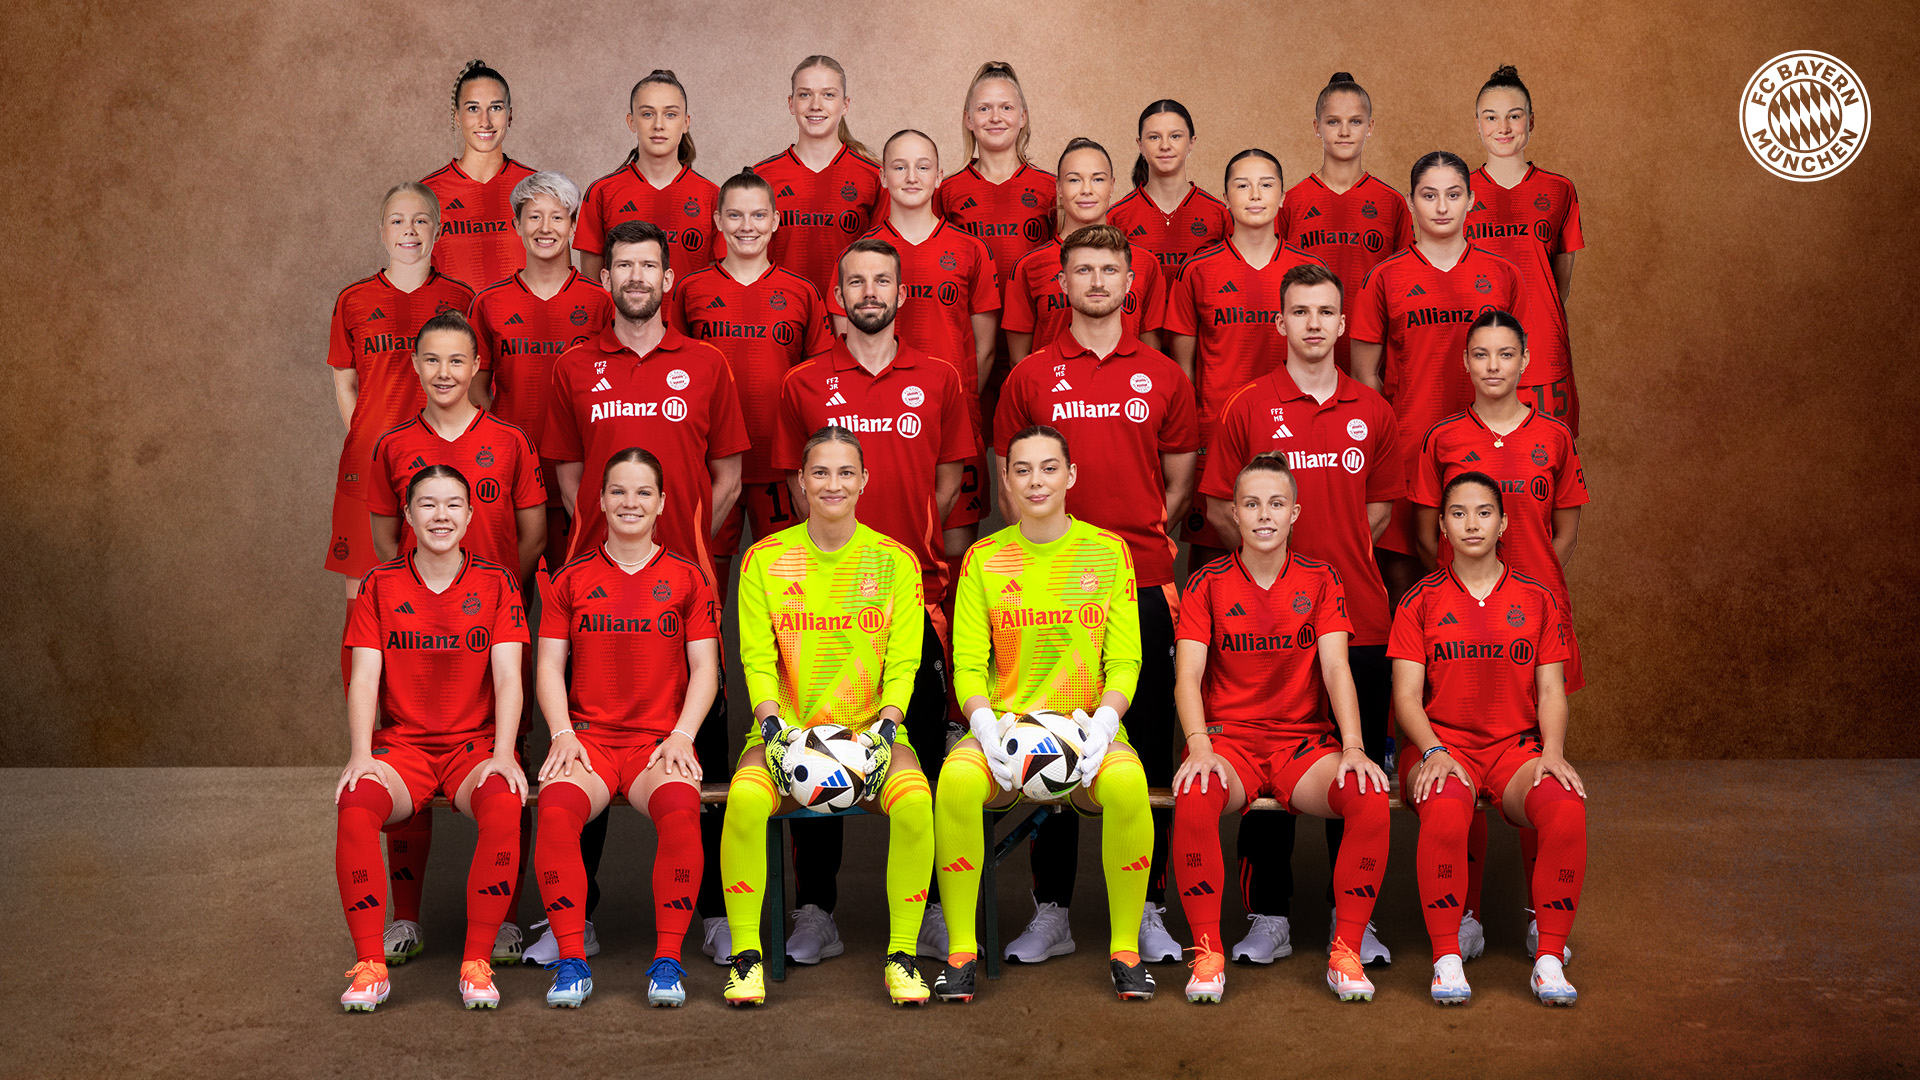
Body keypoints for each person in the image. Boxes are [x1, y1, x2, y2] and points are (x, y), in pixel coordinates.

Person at [542, 218, 748, 965]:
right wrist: (609, 537)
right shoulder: (574, 368)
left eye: (647, 268)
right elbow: (567, 477)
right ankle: (579, 916)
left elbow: (728, 475)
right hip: (598, 584)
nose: (634, 278)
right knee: (586, 742)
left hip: (683, 580)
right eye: (621, 266)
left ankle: (720, 913)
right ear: (608, 279)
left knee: (703, 745)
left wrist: (683, 536)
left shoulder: (708, 364)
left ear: (668, 281)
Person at [992, 223, 1198, 966]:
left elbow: (1178, 481)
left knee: (1141, 747)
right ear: (1063, 284)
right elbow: (1015, 474)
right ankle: (1052, 910)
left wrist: (1124, 548)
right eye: (1083, 270)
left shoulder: (1165, 375)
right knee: (1054, 746)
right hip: (1048, 596)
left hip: (1139, 583)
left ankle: (1145, 907)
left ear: (1130, 280)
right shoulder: (1032, 376)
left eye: (1110, 270)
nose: (1098, 282)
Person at [771, 238, 976, 963]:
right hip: (822, 613)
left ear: (902, 294)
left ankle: (920, 914)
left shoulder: (941, 377)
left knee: (913, 759)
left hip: (910, 599)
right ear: (837, 295)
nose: (868, 291)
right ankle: (816, 910)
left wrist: (904, 554)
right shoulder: (802, 383)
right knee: (815, 754)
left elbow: (948, 482)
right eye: (854, 280)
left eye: (881, 280)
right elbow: (791, 491)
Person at [1198, 262, 1403, 966]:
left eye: (1326, 312)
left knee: (1357, 773)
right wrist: (1269, 584)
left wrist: (1325, 584)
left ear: (1344, 325)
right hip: (1265, 630)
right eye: (1300, 312)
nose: (1313, 324)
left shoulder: (1374, 412)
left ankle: (1355, 920)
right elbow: (1223, 507)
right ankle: (1269, 916)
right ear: (1278, 323)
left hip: (1363, 626)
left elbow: (1377, 514)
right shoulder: (1247, 406)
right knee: (1263, 763)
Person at [933, 425, 1157, 1004]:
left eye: (1049, 468)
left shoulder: (1108, 553)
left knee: (1130, 786)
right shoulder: (984, 557)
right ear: (1006, 480)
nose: (1036, 481)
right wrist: (984, 725)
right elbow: (967, 666)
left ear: (1071, 476)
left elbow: (1126, 660)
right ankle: (961, 952)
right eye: (1023, 469)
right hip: (1004, 731)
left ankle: (1126, 951)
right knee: (955, 782)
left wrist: (1104, 723)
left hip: (1087, 729)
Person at [719, 427, 937, 1006]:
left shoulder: (895, 561)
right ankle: (746, 958)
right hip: (783, 729)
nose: (832, 484)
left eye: (845, 473)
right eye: (820, 472)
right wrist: (774, 731)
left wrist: (885, 732)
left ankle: (902, 954)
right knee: (742, 800)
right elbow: (756, 660)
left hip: (874, 731)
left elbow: (905, 661)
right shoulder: (764, 559)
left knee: (916, 801)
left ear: (865, 481)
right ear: (800, 482)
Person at [1172, 453, 1391, 1004]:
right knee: (1196, 789)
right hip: (1231, 744)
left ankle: (1346, 949)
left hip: (1302, 745)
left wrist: (1356, 747)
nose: (1264, 515)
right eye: (1251, 504)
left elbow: (1337, 668)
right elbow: (1188, 676)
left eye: (1275, 503)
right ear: (1234, 514)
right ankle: (1207, 952)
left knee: (1365, 792)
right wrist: (1198, 745)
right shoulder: (1207, 583)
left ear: (1295, 512)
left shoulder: (1320, 579)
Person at [365, 310, 546, 968]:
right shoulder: (392, 446)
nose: (444, 373)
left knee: (506, 763)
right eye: (432, 360)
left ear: (477, 368)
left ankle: (498, 921)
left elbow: (532, 534)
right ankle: (405, 917)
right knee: (402, 749)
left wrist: (491, 594)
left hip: (488, 629)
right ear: (415, 367)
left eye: (456, 361)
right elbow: (387, 540)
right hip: (413, 638)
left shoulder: (510, 441)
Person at [1412, 309, 1588, 958]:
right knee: (1461, 756)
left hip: (1533, 622)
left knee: (1545, 764)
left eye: (1504, 354)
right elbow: (1421, 527)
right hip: (1460, 622)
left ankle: (1543, 914)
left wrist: (1529, 587)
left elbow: (1563, 531)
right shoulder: (1443, 438)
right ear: (1465, 364)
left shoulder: (1555, 437)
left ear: (1524, 363)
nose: (1492, 366)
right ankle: (1465, 914)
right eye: (1480, 355)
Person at [333, 465, 529, 1011]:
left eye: (452, 505)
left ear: (469, 516)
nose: (440, 516)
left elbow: (509, 676)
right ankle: (371, 965)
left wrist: (504, 753)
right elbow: (365, 676)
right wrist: (359, 754)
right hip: (404, 748)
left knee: (505, 804)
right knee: (354, 804)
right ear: (409, 515)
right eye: (427, 505)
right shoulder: (380, 584)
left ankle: (477, 962)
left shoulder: (496, 583)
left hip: (473, 746)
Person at [532, 447, 722, 1008]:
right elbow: (547, 665)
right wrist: (563, 734)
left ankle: (667, 961)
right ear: (600, 500)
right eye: (618, 491)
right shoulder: (571, 578)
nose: (630, 502)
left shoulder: (688, 579)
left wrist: (684, 735)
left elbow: (706, 670)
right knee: (558, 810)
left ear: (663, 503)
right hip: (589, 743)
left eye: (643, 492)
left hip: (655, 745)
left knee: (683, 811)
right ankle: (571, 960)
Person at [1391, 471, 1586, 1007]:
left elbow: (1551, 690)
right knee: (1448, 803)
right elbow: (1406, 696)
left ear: (1503, 524)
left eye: (1483, 512)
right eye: (1457, 513)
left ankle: (1548, 958)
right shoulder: (1419, 601)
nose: (1471, 523)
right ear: (1442, 527)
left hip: (1514, 749)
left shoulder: (1538, 599)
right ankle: (1447, 956)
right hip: (1441, 745)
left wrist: (1552, 752)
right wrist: (1432, 750)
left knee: (1566, 805)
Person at [1349, 151, 1526, 607]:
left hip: (1486, 453)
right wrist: (1384, 452)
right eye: (1429, 196)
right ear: (1411, 203)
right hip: (1408, 455)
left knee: (1491, 595)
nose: (1442, 207)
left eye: (1453, 195)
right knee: (1410, 601)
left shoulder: (1503, 276)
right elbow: (1364, 376)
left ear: (1471, 200)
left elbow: (1517, 371)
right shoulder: (1384, 279)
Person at [830, 129, 1000, 557]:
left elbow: (983, 348)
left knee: (956, 552)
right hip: (877, 423)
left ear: (939, 176)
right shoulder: (859, 254)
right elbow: (842, 337)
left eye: (923, 167)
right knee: (867, 550)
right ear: (883, 177)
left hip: (951, 418)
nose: (911, 176)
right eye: (899, 167)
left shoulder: (970, 250)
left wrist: (952, 405)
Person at [668, 168, 833, 585]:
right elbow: (670, 372)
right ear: (718, 220)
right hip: (710, 465)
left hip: (779, 467)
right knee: (703, 585)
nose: (747, 227)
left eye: (759, 216)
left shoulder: (802, 292)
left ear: (776, 221)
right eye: (736, 216)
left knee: (788, 592)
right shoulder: (691, 290)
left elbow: (823, 385)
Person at [1164, 149, 1325, 562]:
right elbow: (1184, 368)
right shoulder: (1197, 271)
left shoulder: (1310, 272)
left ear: (1283, 195)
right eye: (1242, 185)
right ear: (1225, 197)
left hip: (1296, 434)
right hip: (1219, 437)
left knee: (1298, 555)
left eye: (1266, 184)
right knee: (1214, 563)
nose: (1255, 195)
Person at [326, 183, 475, 591]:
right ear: (382, 232)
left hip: (443, 463)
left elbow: (475, 386)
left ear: (438, 230)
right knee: (365, 593)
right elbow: (345, 382)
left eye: (420, 220)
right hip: (370, 465)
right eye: (397, 221)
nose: (409, 230)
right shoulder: (353, 300)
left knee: (440, 590)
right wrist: (369, 444)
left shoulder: (462, 300)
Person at [469, 170, 614, 574]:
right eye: (534, 217)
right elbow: (476, 391)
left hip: (583, 474)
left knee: (581, 595)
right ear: (517, 225)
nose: (545, 228)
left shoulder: (601, 303)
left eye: (557, 216)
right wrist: (500, 449)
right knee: (513, 592)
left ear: (572, 226)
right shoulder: (489, 303)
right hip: (512, 474)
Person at [937, 61, 1056, 439]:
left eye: (1006, 108)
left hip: (1036, 344)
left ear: (1023, 117)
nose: (995, 117)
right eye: (984, 108)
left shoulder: (1051, 188)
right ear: (968, 119)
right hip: (969, 348)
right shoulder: (948, 192)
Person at [1467, 66, 1586, 434]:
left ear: (1531, 122)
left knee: (1544, 470)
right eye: (1491, 117)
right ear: (1478, 124)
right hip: (1475, 355)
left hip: (1544, 355)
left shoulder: (1559, 190)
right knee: (1475, 480)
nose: (1503, 127)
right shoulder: (1458, 193)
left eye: (1514, 116)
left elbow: (1559, 284)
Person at [1277, 73, 1415, 374]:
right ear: (1317, 127)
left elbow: (1404, 286)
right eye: (1332, 121)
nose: (1344, 131)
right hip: (1304, 352)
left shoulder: (1391, 202)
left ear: (1370, 127)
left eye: (1355, 121)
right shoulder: (1291, 201)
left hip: (1371, 357)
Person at [1003, 139, 1165, 360]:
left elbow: (1152, 357)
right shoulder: (1029, 266)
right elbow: (1019, 362)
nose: (1086, 190)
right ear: (1059, 188)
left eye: (1098, 179)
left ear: (1112, 185)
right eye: (1074, 180)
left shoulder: (1145, 263)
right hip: (1056, 391)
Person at [753, 56, 888, 303]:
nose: (816, 105)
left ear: (845, 104)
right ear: (791, 103)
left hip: (850, 319)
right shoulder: (761, 177)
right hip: (778, 315)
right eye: (805, 95)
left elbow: (884, 261)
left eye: (828, 95)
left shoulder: (873, 177)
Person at [575, 70, 720, 285]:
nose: (658, 125)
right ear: (631, 121)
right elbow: (592, 289)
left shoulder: (711, 195)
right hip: (621, 320)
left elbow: (716, 283)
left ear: (686, 123)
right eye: (647, 114)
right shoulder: (602, 192)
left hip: (690, 320)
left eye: (670, 114)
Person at [422, 61, 537, 292]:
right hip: (451, 326)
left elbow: (560, 280)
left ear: (510, 115)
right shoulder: (427, 195)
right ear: (457, 116)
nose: (485, 121)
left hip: (523, 328)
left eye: (495, 108)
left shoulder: (538, 189)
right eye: (473, 108)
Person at [1108, 100, 1230, 298]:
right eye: (1154, 137)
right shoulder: (1116, 217)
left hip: (1198, 329)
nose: (1165, 146)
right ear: (1140, 145)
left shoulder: (1219, 214)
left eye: (1175, 136)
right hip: (1139, 328)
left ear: (1192, 143)